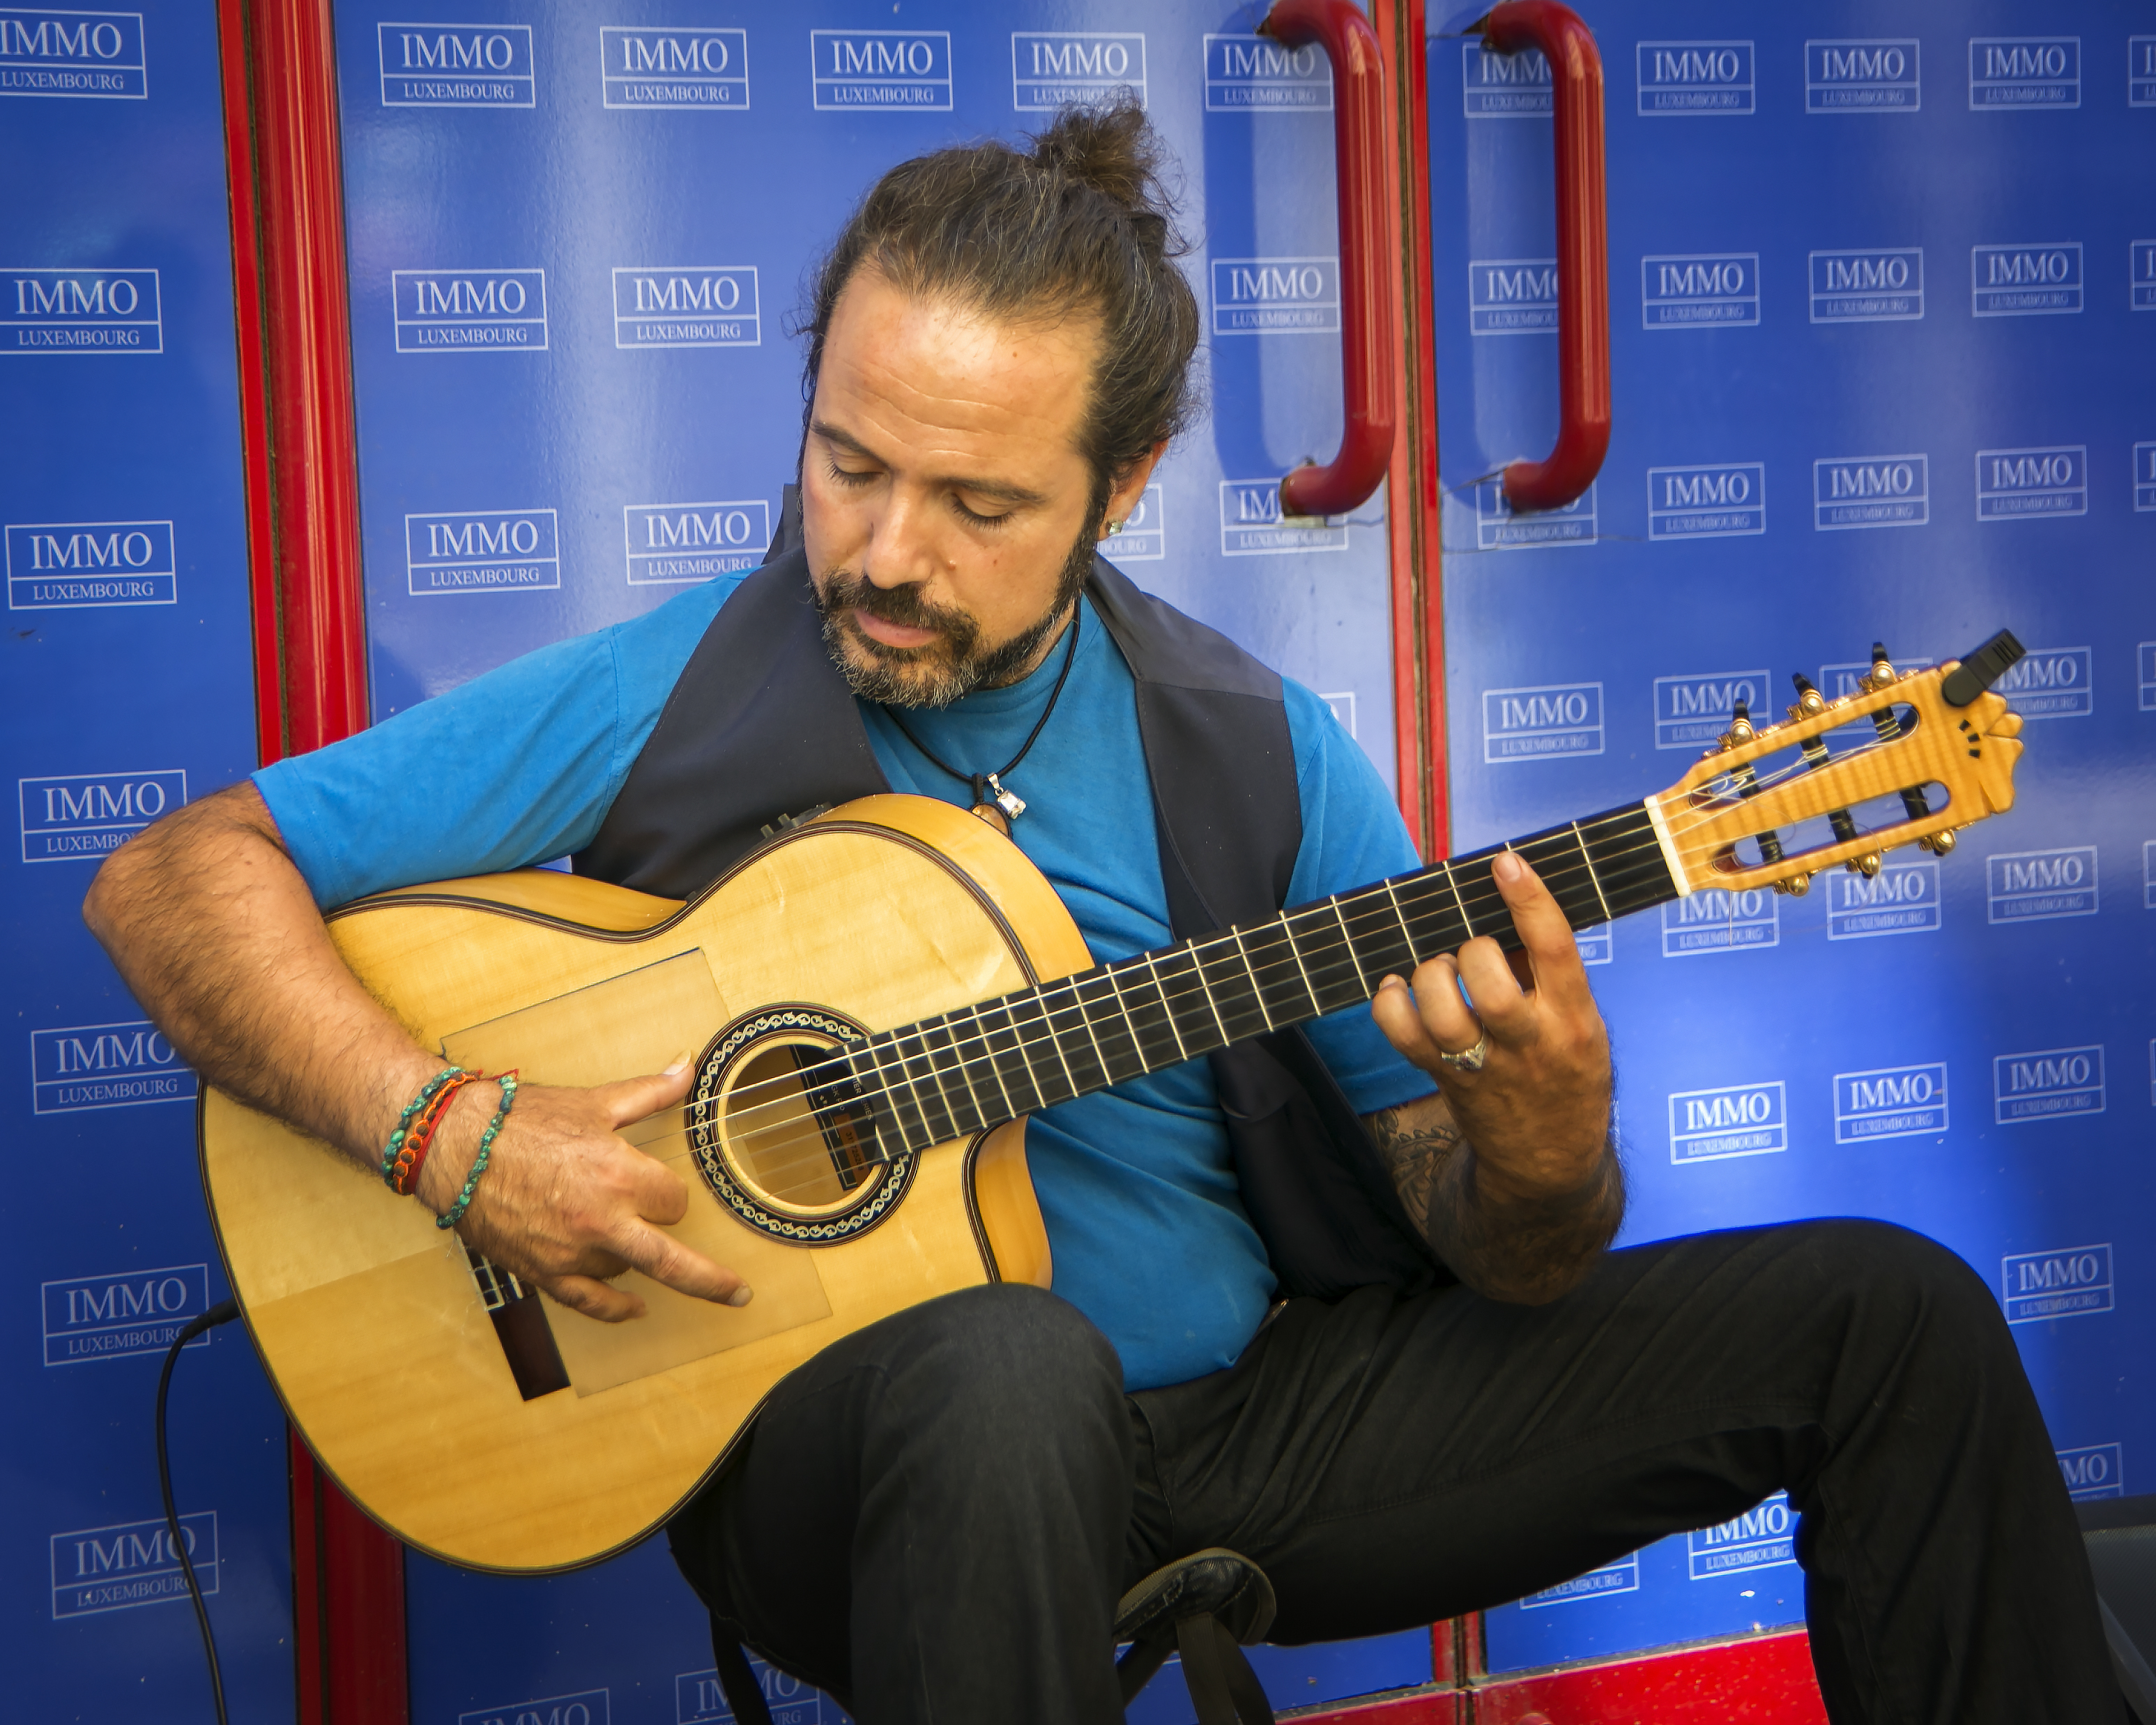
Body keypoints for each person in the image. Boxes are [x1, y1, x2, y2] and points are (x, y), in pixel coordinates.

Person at [85, 104, 2109, 1724]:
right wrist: (452, 1134)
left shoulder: (1250, 749)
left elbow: (1503, 1249)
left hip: (1247, 1427)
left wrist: (1543, 1140)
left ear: (1121, 485)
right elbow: (172, 878)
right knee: (1009, 1366)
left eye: (979, 507)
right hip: (846, 1471)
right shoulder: (667, 691)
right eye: (848, 465)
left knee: (1892, 1318)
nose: (886, 554)